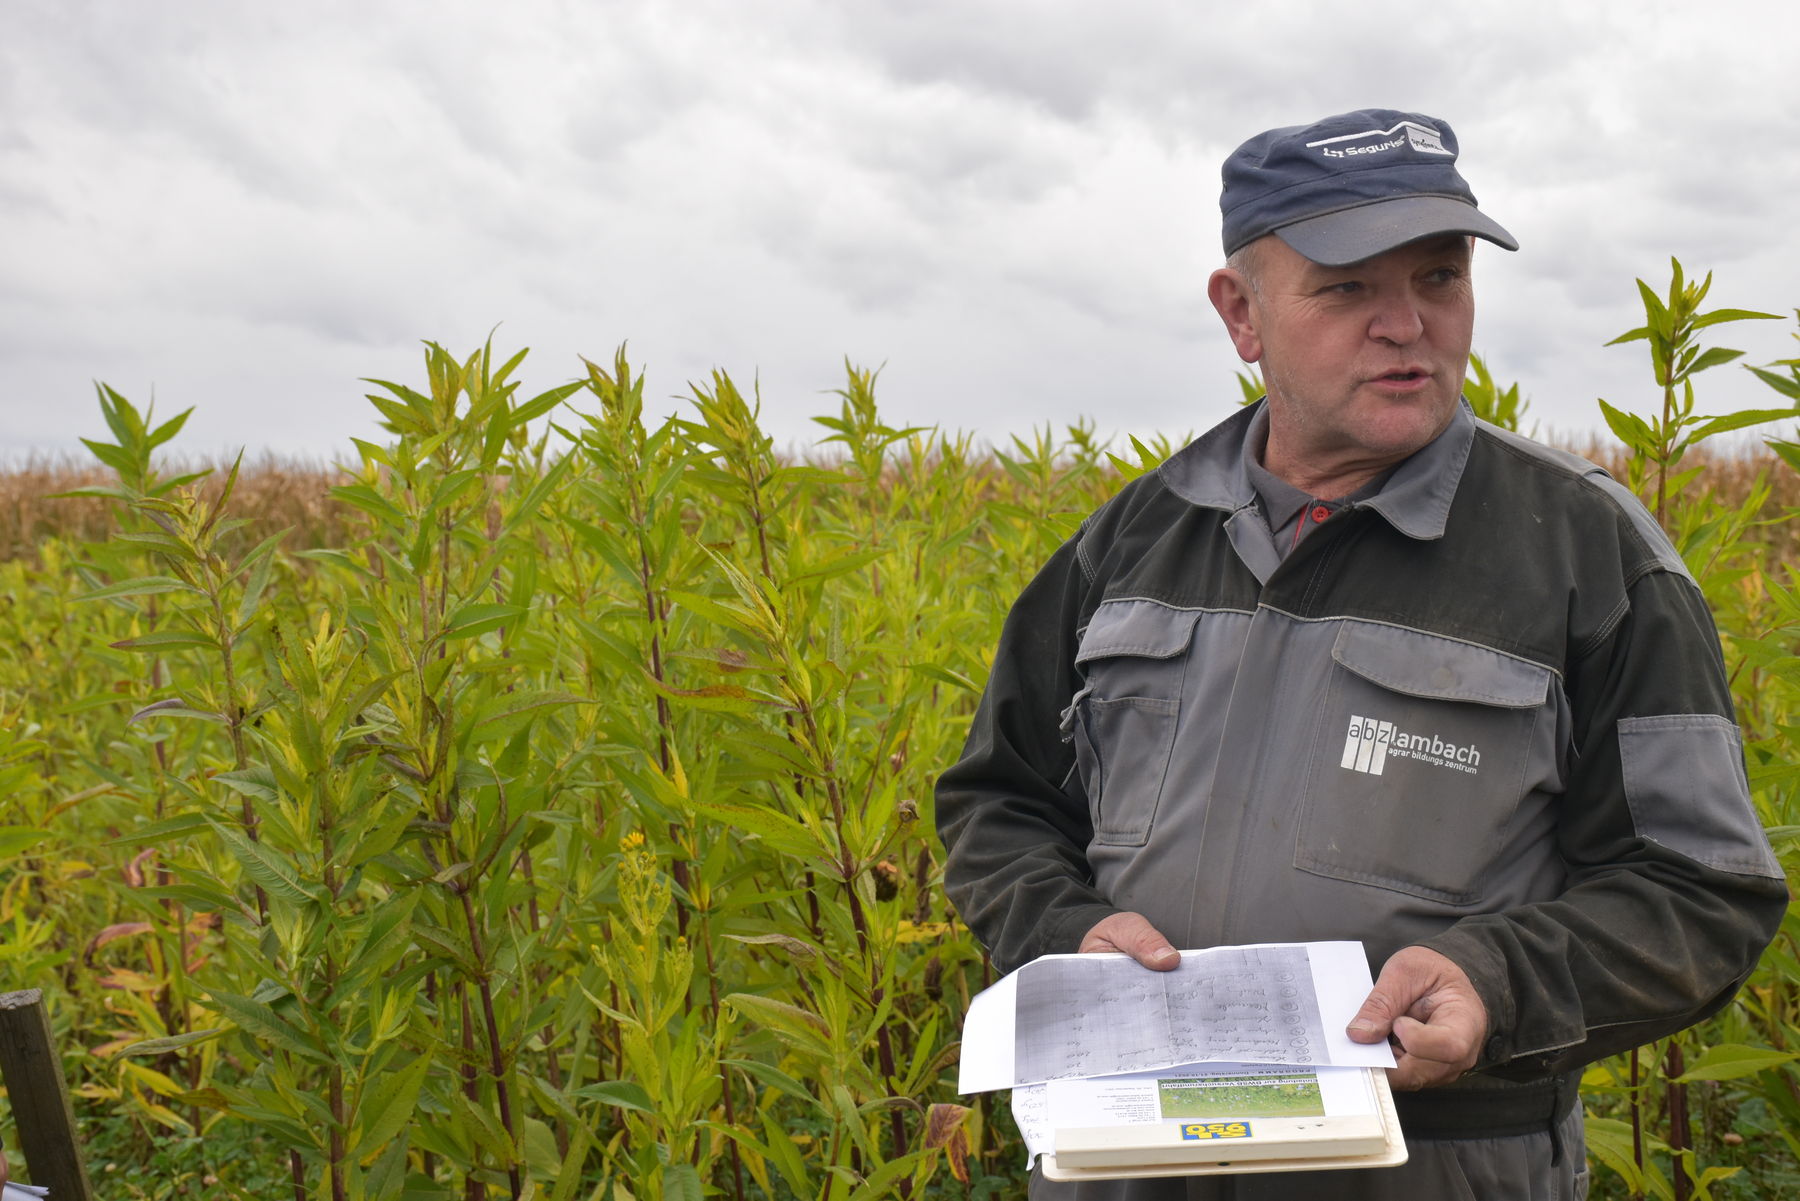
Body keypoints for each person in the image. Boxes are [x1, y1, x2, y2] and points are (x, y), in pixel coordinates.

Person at [935, 108, 1788, 1200]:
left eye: (1439, 278)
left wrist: (1496, 983)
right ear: (1241, 313)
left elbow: (1701, 889)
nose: (1407, 325)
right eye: (1346, 289)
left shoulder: (1589, 556)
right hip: (1126, 1165)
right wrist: (1066, 934)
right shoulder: (1133, 540)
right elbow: (996, 801)